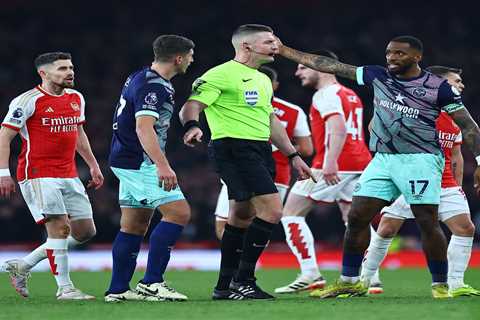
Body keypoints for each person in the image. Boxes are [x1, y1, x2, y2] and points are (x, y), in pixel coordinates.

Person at [277, 35, 480, 298]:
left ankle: (440, 285)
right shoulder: (378, 76)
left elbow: (469, 126)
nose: (392, 58)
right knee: (357, 216)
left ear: (417, 57)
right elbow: (333, 66)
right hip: (383, 160)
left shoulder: (438, 88)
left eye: (399, 54)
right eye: (389, 53)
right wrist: (284, 50)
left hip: (420, 160)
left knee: (427, 222)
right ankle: (351, 280)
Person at [179, 24, 314, 300]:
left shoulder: (261, 79)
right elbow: (191, 105)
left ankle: (224, 286)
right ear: (247, 46)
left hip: (259, 150)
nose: (276, 47)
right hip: (233, 148)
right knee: (273, 211)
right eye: (269, 42)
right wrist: (192, 125)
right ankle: (245, 280)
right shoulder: (220, 74)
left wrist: (293, 155)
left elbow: (270, 120)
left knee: (240, 217)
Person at [361, 66, 480, 297]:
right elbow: (375, 129)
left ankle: (456, 284)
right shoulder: (417, 109)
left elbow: (455, 155)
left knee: (465, 228)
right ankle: (365, 279)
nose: (462, 85)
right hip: (412, 178)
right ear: (438, 84)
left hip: (444, 183)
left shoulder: (456, 117)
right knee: (386, 229)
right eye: (456, 81)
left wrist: (456, 186)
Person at [0, 52, 104, 300]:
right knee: (59, 228)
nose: (69, 72)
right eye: (62, 69)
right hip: (37, 173)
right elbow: (5, 136)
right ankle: (65, 289)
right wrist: (3, 172)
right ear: (43, 73)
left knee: (85, 232)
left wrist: (93, 164)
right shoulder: (27, 101)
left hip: (68, 172)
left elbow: (78, 134)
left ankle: (23, 265)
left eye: (70, 67)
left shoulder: (76, 98)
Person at [104, 35, 194, 302]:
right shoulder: (154, 86)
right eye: (190, 54)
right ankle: (152, 282)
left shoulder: (139, 76)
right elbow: (143, 127)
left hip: (124, 157)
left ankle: (118, 289)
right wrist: (162, 165)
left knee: (134, 224)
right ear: (178, 58)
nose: (192, 59)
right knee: (179, 212)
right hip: (139, 160)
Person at [275, 50, 372, 294]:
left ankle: (310, 273)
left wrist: (329, 162)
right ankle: (372, 277)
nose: (297, 72)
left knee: (291, 214)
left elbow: (337, 128)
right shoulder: (350, 94)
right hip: (359, 162)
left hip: (332, 164)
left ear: (321, 66)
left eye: (302, 67)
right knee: (354, 220)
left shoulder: (325, 94)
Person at [214, 65, 313, 240]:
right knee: (261, 225)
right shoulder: (293, 111)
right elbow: (306, 149)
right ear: (274, 85)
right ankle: (248, 263)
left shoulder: (238, 106)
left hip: (240, 171)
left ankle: (235, 263)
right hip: (278, 176)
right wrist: (281, 149)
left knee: (226, 223)